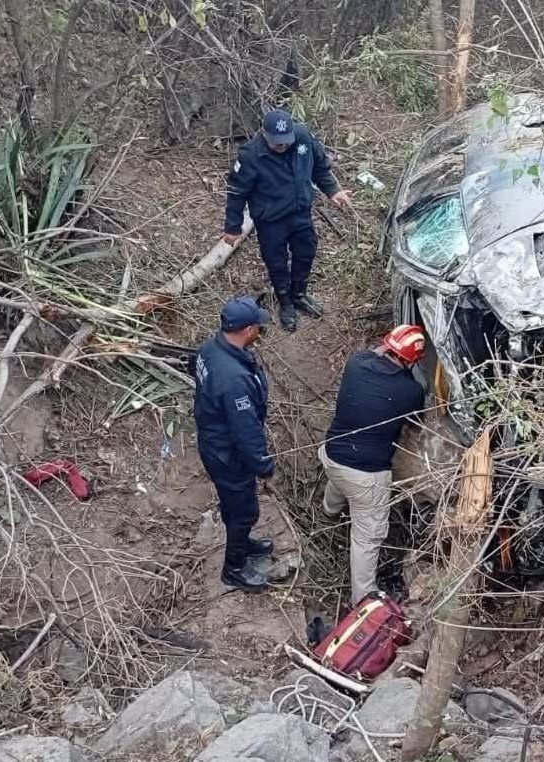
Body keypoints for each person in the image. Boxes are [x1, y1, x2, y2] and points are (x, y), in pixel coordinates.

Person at [319, 325, 427, 605]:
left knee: (341, 479)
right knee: (367, 539)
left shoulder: (356, 364)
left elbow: (375, 354)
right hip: (366, 476)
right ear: (411, 361)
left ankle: (329, 511)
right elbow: (414, 423)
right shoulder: (410, 391)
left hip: (331, 455)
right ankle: (362, 599)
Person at [221, 109, 353, 333]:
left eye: (286, 141)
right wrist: (232, 227)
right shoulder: (251, 155)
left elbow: (320, 167)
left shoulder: (303, 137)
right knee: (276, 263)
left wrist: (333, 191)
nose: (282, 146)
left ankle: (299, 294)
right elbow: (236, 193)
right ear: (265, 135)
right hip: (270, 219)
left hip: (300, 211)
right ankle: (286, 303)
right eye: (277, 143)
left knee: (306, 252)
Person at [192, 296, 276, 591]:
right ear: (247, 329)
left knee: (233, 504)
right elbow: (245, 429)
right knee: (244, 511)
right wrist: (262, 463)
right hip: (227, 452)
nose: (260, 332)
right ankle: (234, 569)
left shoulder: (209, 348)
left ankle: (242, 543)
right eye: (258, 327)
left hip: (214, 441)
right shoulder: (234, 379)